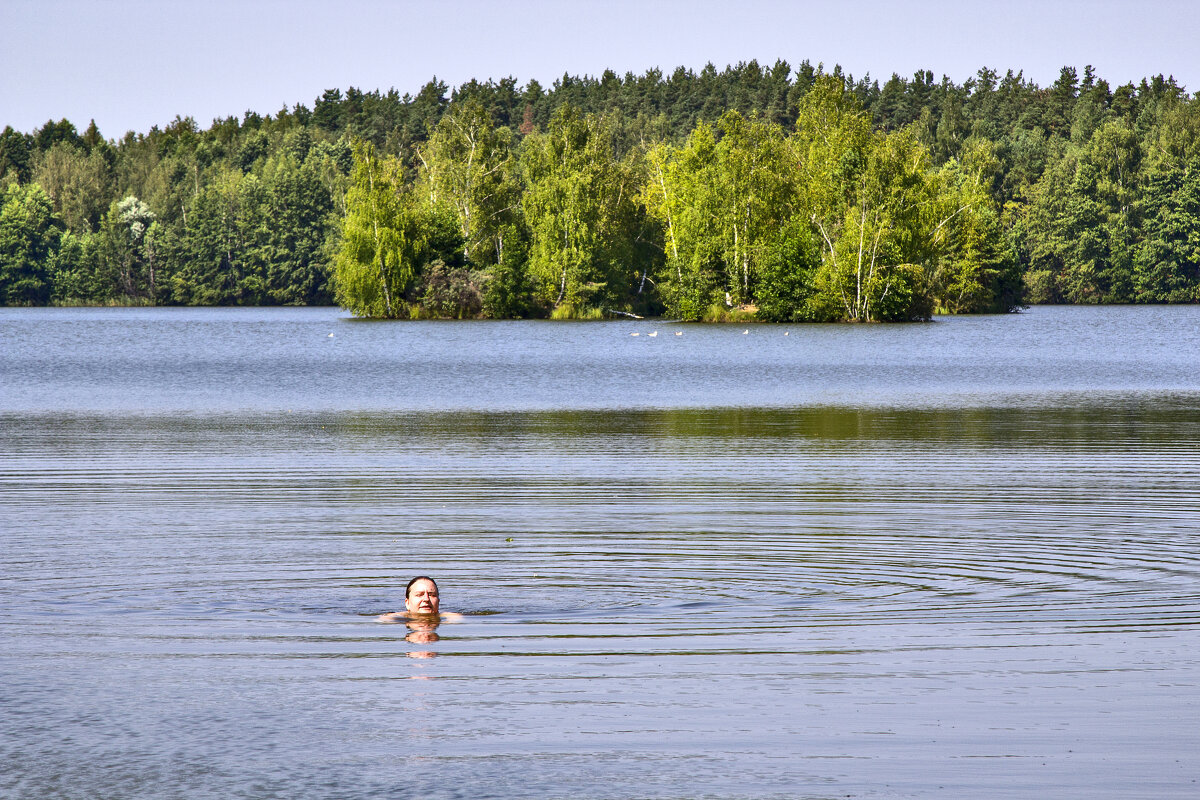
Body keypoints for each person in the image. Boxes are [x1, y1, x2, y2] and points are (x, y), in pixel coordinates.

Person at [377, 576, 463, 623]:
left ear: (438, 601)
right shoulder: (396, 617)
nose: (426, 599)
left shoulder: (450, 617)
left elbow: (458, 618)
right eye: (419, 595)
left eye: (432, 595)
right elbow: (383, 619)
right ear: (407, 603)